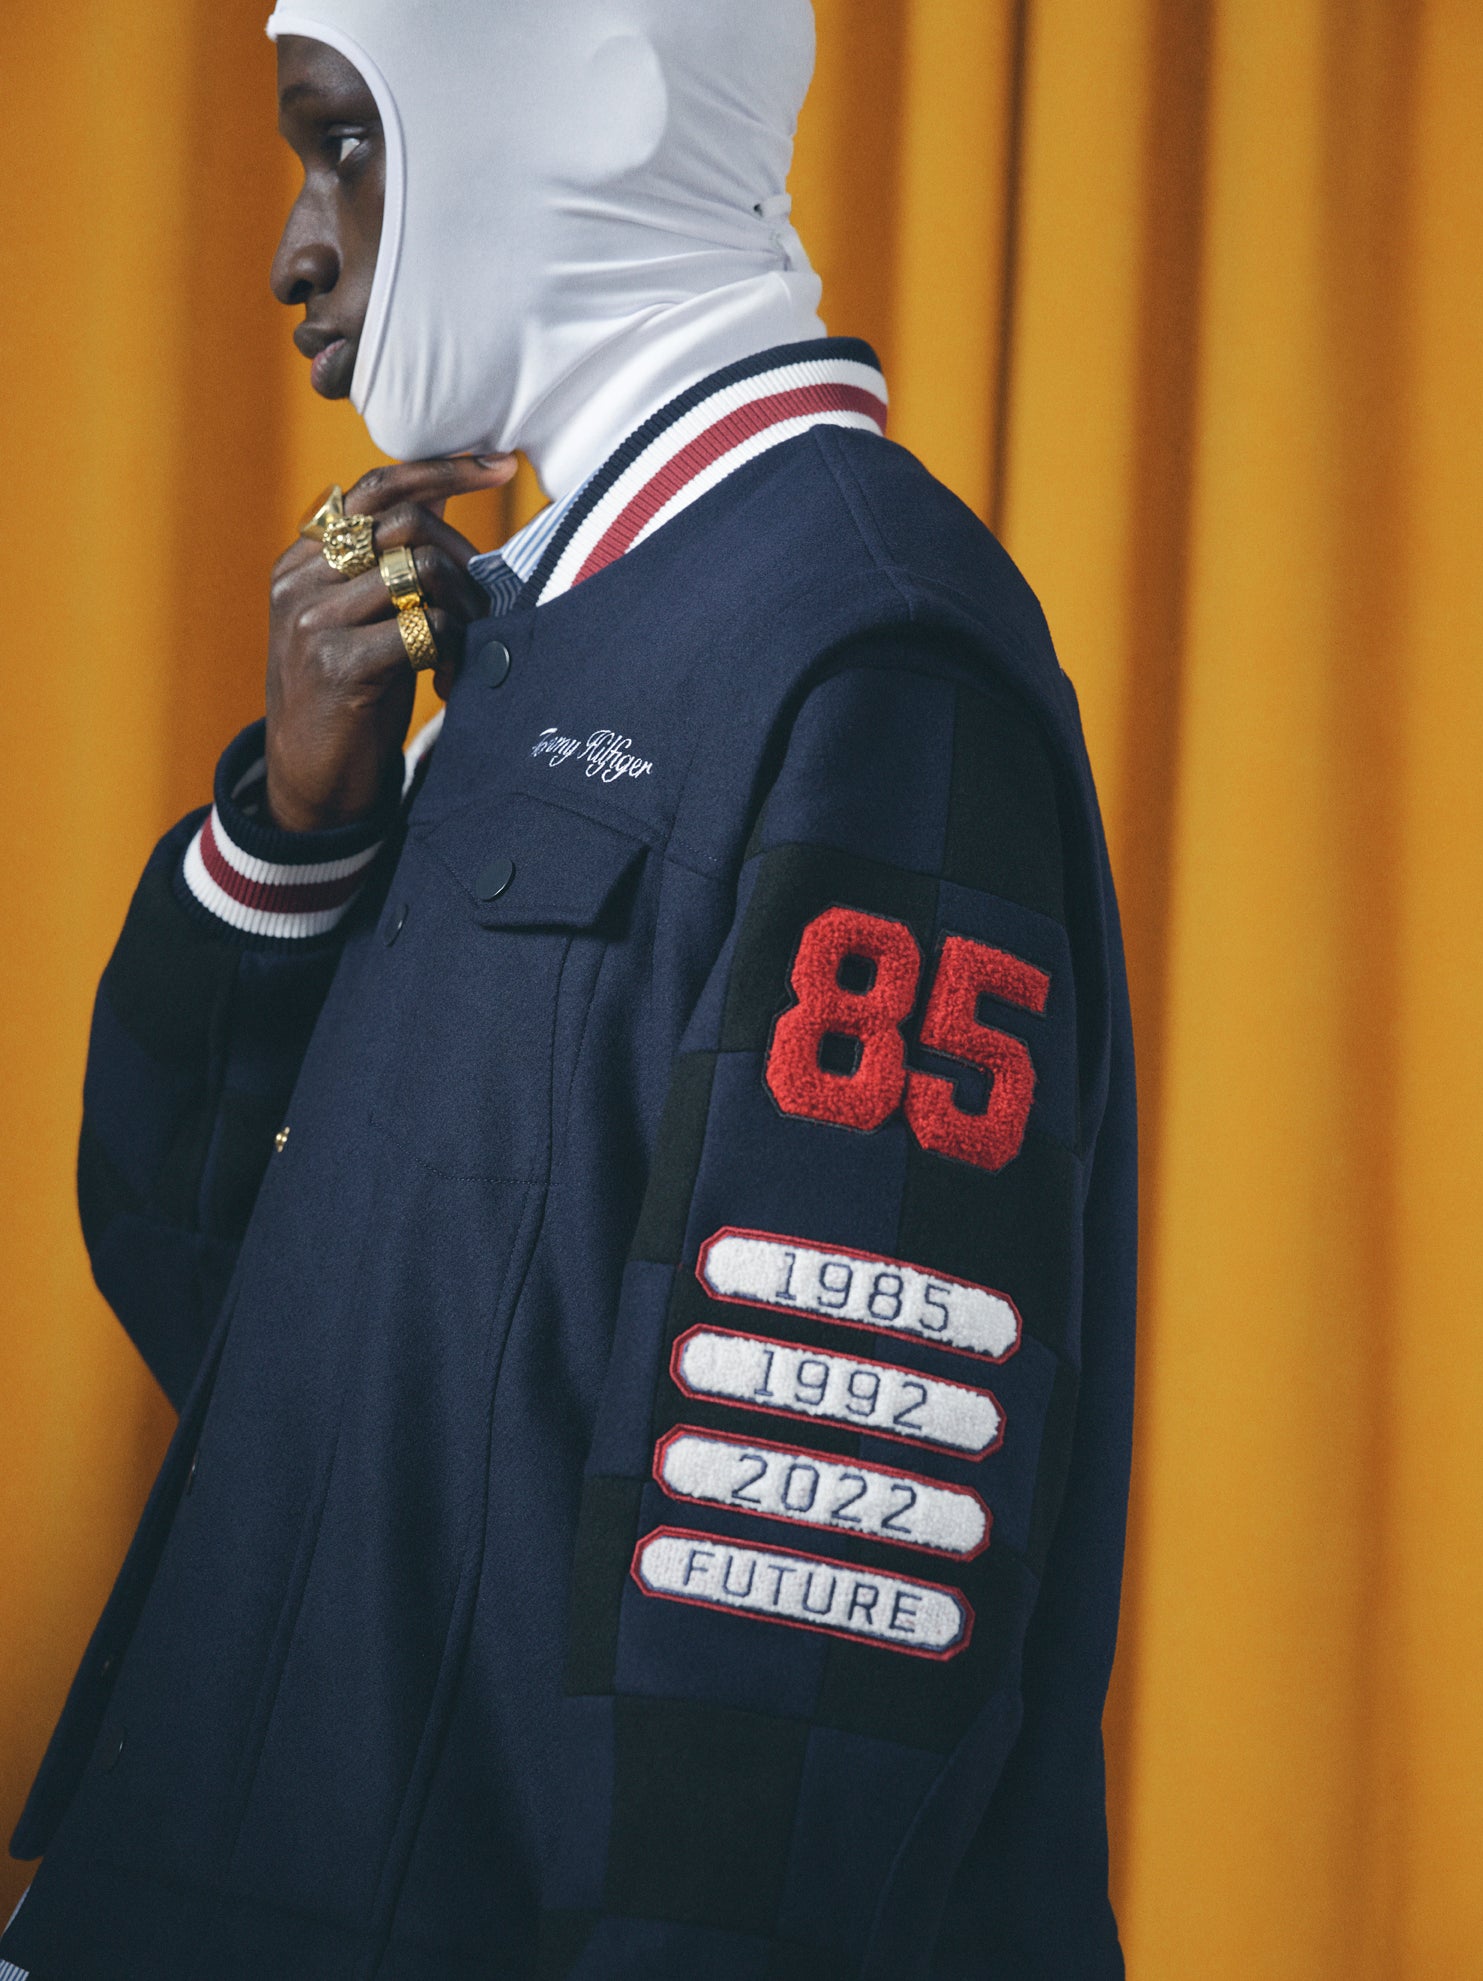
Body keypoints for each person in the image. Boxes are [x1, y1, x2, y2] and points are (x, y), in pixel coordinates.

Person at [1, 3, 1137, 1975]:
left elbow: (814, 1574)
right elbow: (237, 1312)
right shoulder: (540, 632)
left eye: (345, 142)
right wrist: (295, 831)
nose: (293, 249)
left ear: (603, 108)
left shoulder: (864, 653)